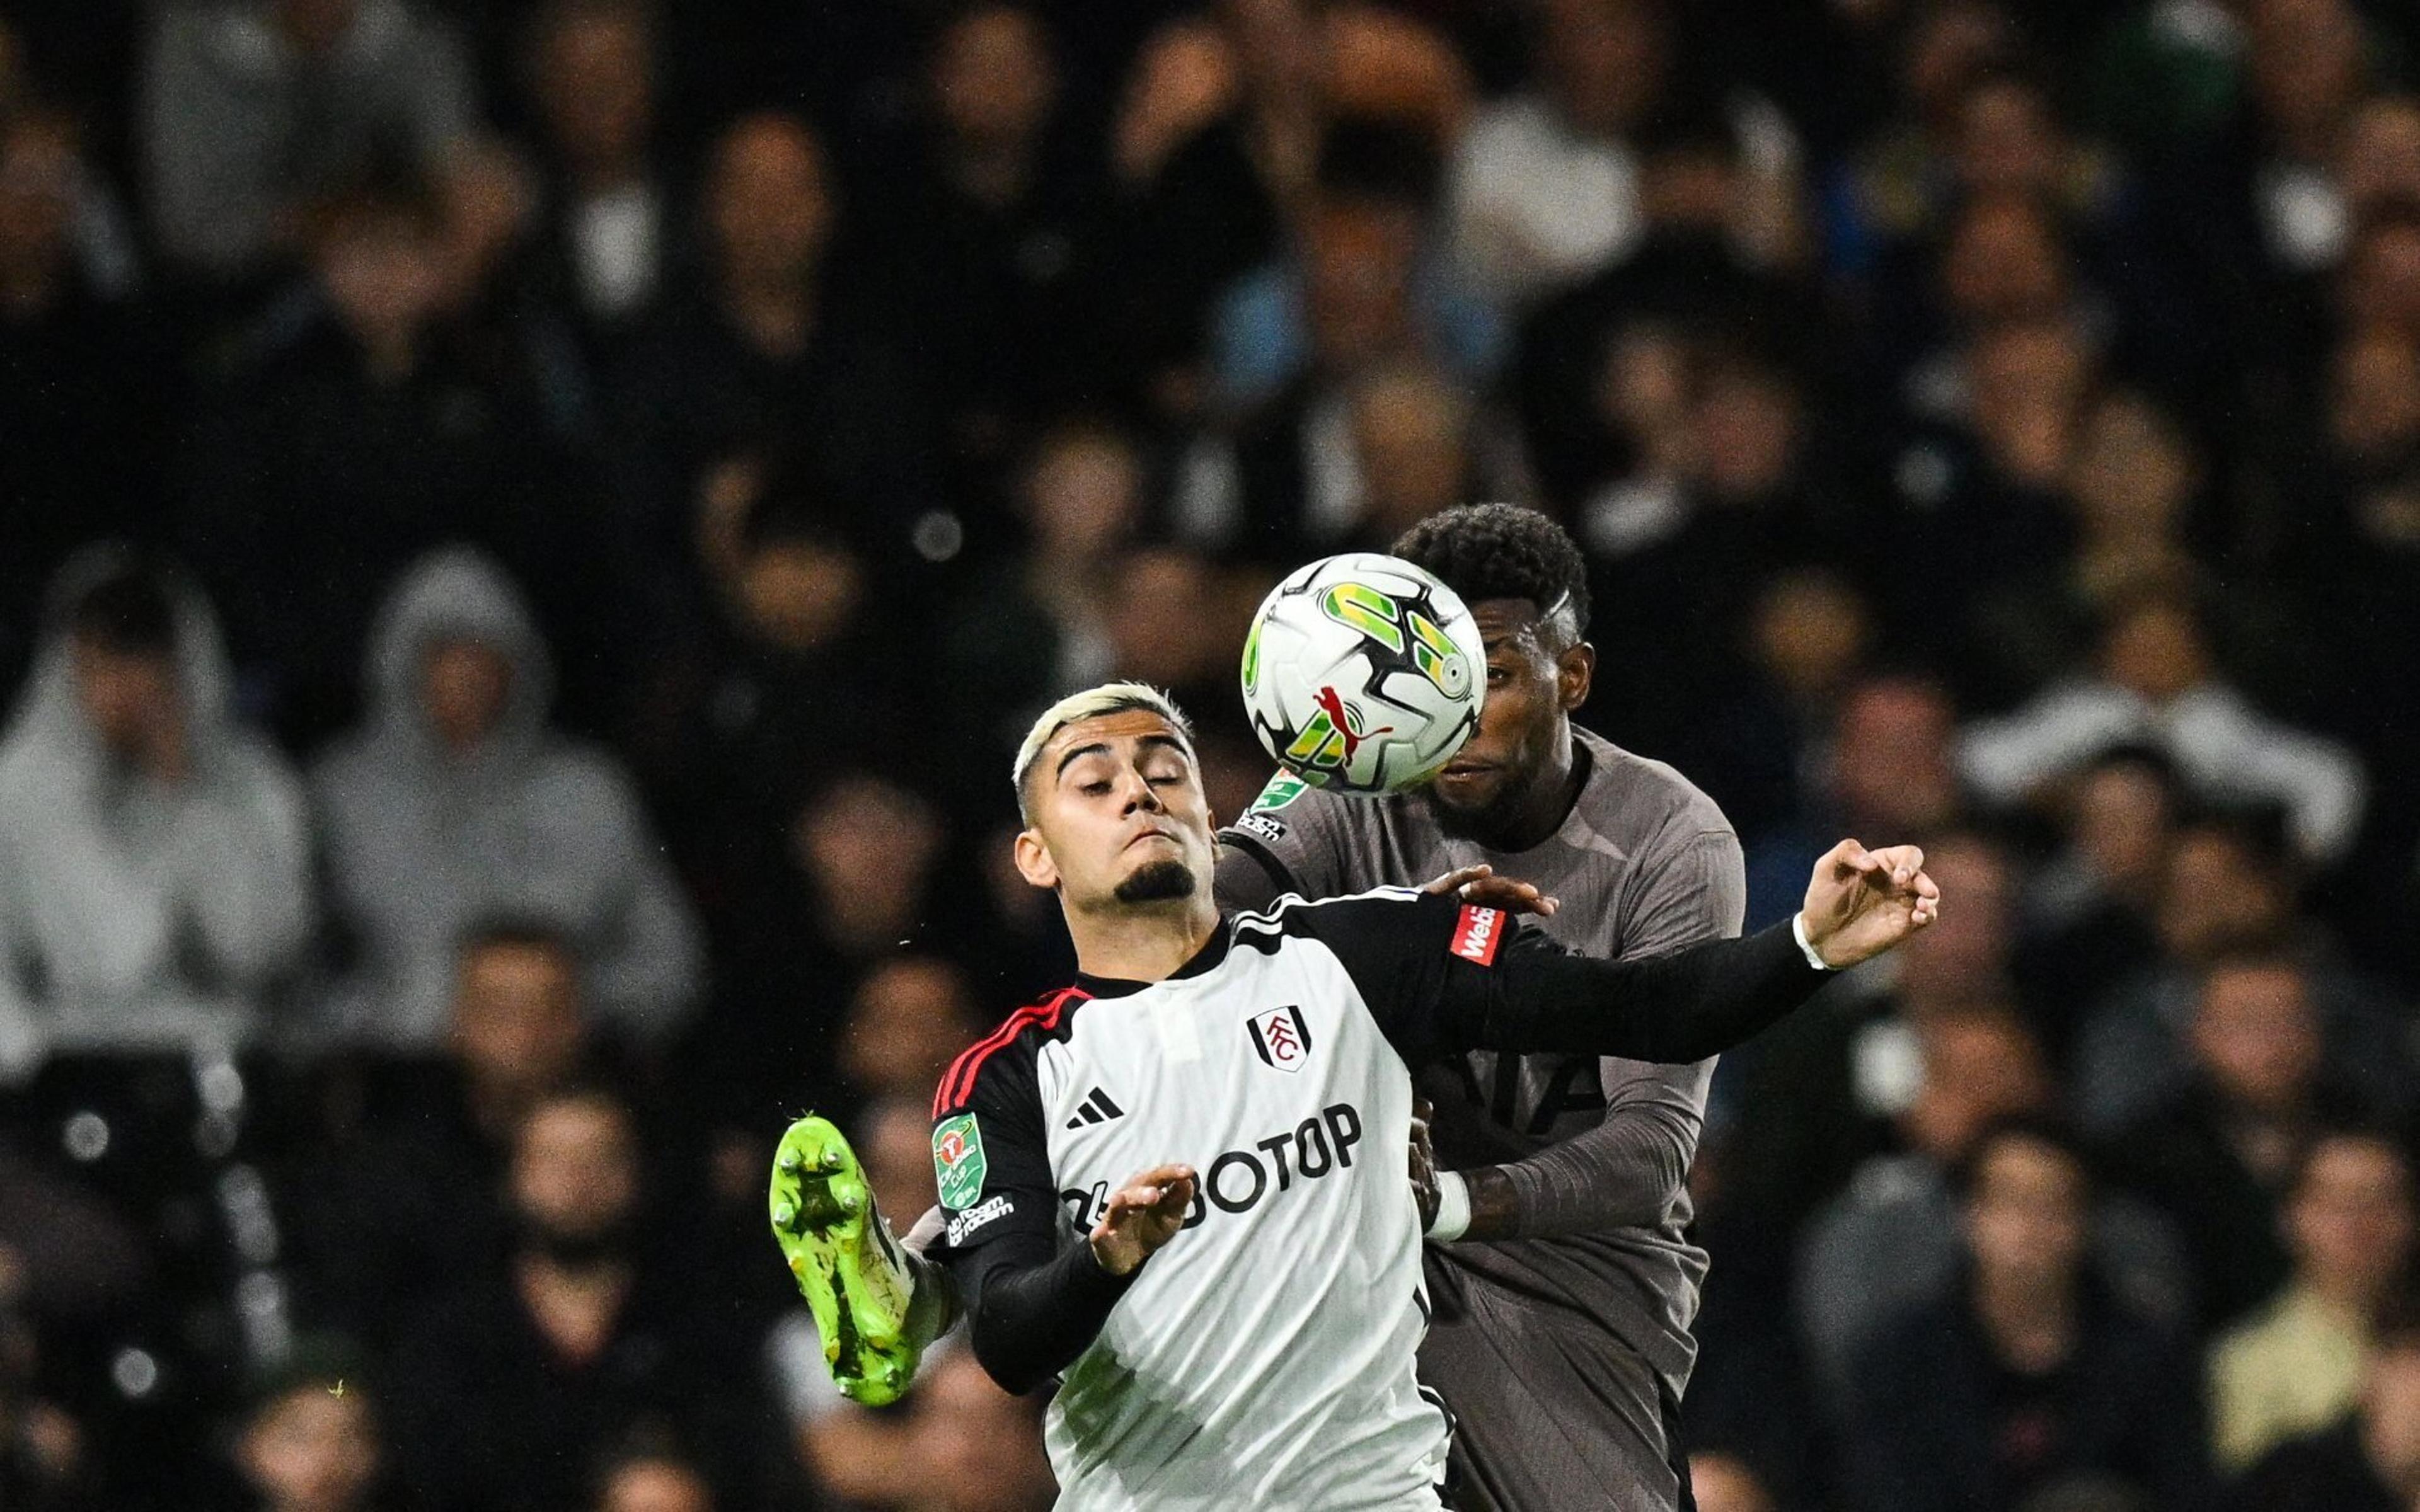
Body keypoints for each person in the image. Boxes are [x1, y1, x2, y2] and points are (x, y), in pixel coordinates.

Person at [769, 677, 1936, 1507]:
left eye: (1165, 770)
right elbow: (1019, 1341)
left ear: (1207, 816)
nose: (1140, 793)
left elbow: (1645, 1010)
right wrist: (1109, 1257)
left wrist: (1811, 947)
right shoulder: (1008, 1076)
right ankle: (907, 1293)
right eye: (1095, 783)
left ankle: (905, 1290)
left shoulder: (1365, 954)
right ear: (1037, 856)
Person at [310, 547, 701, 1051]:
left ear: (521, 665)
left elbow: (672, 959)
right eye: (445, 657)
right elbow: (295, 973)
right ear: (401, 665)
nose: (467, 677)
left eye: (486, 656)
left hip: (567, 1066)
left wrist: (559, 1010)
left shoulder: (587, 789)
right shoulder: (341, 792)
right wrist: (389, 1015)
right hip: (400, 1069)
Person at [0, 549, 313, 1080]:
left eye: (142, 661)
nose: (123, 687)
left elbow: (260, 952)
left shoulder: (254, 783)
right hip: (64, 1066)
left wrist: (186, 797)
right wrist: (32, 1064)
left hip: (217, 1067)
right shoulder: (19, 785)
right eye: (102, 661)